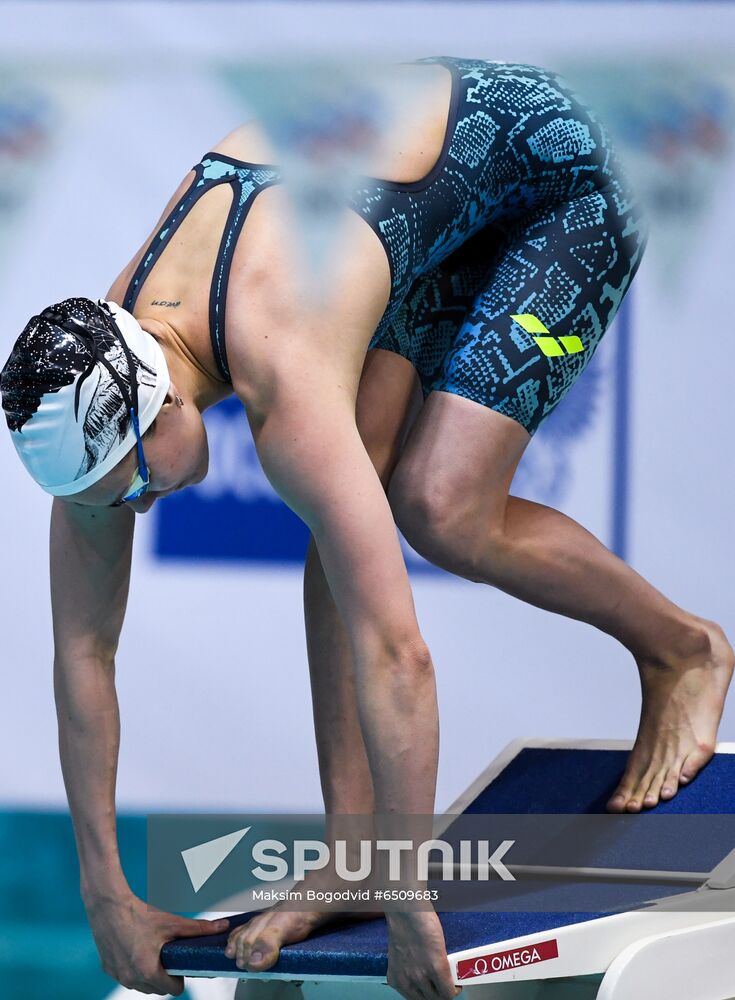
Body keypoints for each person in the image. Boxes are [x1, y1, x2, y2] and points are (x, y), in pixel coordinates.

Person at [1, 56, 732, 1000]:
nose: (132, 508)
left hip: (555, 177)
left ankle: (683, 651)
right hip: (403, 208)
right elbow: (82, 656)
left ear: (163, 407)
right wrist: (109, 898)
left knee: (438, 507)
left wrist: (410, 902)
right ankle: (352, 850)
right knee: (343, 524)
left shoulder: (277, 371)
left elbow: (399, 654)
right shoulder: (93, 384)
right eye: (106, 498)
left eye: (135, 482)